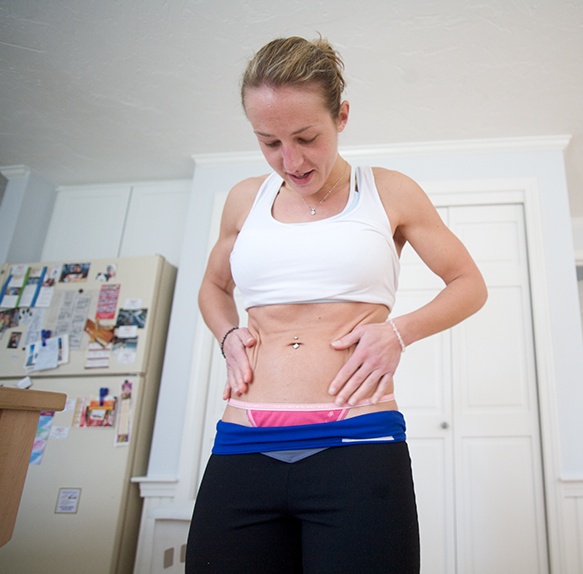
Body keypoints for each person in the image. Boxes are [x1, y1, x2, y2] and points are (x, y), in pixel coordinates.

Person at [186, 36, 487, 573]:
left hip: (359, 444)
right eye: (269, 142)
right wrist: (228, 336)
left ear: (341, 115)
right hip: (242, 444)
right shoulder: (243, 200)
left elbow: (468, 283)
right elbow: (213, 287)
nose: (291, 160)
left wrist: (399, 332)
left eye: (306, 137)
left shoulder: (389, 192)